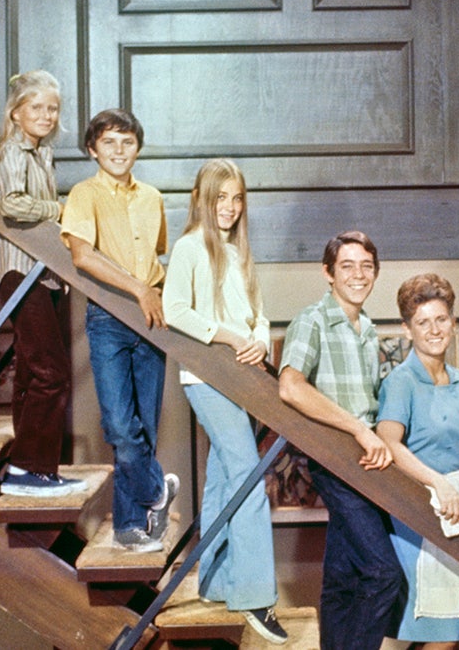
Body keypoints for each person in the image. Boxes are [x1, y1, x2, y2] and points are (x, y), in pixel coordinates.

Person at [162, 159, 287, 644]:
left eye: (237, 199)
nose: (230, 208)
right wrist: (229, 337)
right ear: (202, 199)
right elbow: (175, 311)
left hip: (241, 377)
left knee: (221, 480)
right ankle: (255, 597)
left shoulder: (239, 251)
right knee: (249, 480)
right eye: (221, 199)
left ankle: (213, 581)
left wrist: (257, 336)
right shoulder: (191, 247)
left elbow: (257, 312)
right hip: (206, 378)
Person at [277, 230, 403, 650]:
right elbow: (291, 387)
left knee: (343, 579)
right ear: (328, 273)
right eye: (347, 266)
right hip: (335, 459)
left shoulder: (367, 328)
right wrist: (356, 428)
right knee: (383, 573)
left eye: (367, 267)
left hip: (367, 464)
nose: (358, 275)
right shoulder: (311, 320)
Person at [60, 108, 177, 550]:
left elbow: (157, 259)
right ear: (93, 149)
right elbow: (83, 257)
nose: (119, 151)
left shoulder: (152, 196)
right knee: (121, 427)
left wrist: (160, 295)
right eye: (109, 142)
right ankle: (156, 492)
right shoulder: (83, 194)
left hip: (152, 321)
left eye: (127, 142)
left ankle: (130, 526)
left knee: (144, 424)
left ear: (138, 148)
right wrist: (138, 289)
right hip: (109, 317)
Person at [0, 71, 87, 497]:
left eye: (53, 109)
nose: (46, 115)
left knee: (33, 372)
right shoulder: (12, 152)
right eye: (37, 108)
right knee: (52, 372)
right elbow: (11, 206)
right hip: (18, 272)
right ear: (16, 112)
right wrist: (61, 208)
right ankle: (30, 466)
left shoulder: (42, 154)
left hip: (41, 275)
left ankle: (25, 471)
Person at [374, 273, 459, 647]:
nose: (434, 330)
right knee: (403, 631)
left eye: (441, 319)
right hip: (417, 515)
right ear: (407, 329)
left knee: (449, 632)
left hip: (458, 513)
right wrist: (437, 483)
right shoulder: (401, 381)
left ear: (452, 321)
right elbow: (388, 444)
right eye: (422, 322)